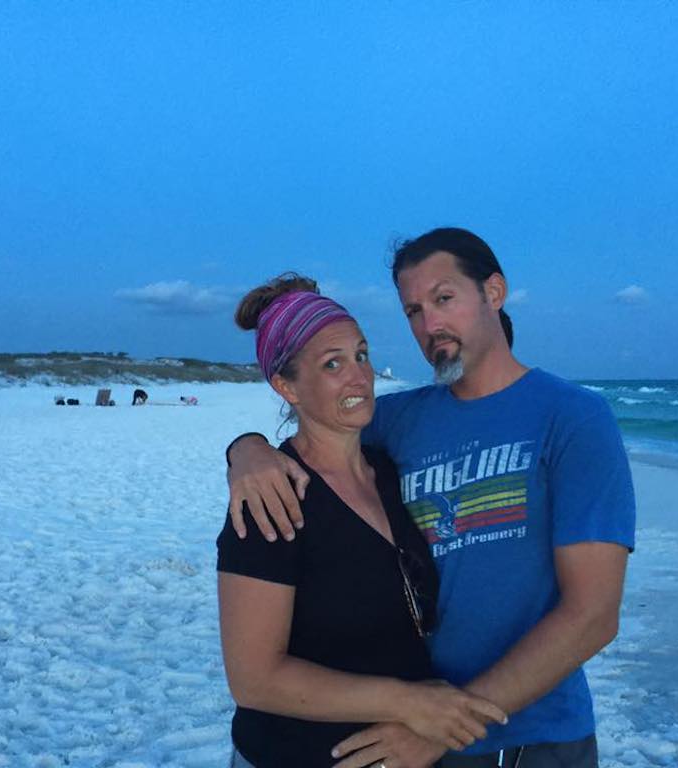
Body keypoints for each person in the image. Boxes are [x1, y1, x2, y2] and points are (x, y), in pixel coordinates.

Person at [226, 229, 636, 768]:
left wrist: (446, 728)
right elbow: (316, 445)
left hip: (530, 736)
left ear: (494, 292)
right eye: (413, 310)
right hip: (416, 735)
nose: (429, 325)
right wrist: (247, 450)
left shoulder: (573, 418)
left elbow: (592, 614)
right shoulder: (397, 421)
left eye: (444, 299)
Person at [216, 274, 507, 768]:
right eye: (332, 364)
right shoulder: (272, 498)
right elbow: (253, 679)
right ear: (287, 386)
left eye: (362, 355)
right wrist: (407, 702)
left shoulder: (390, 471)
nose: (359, 376)